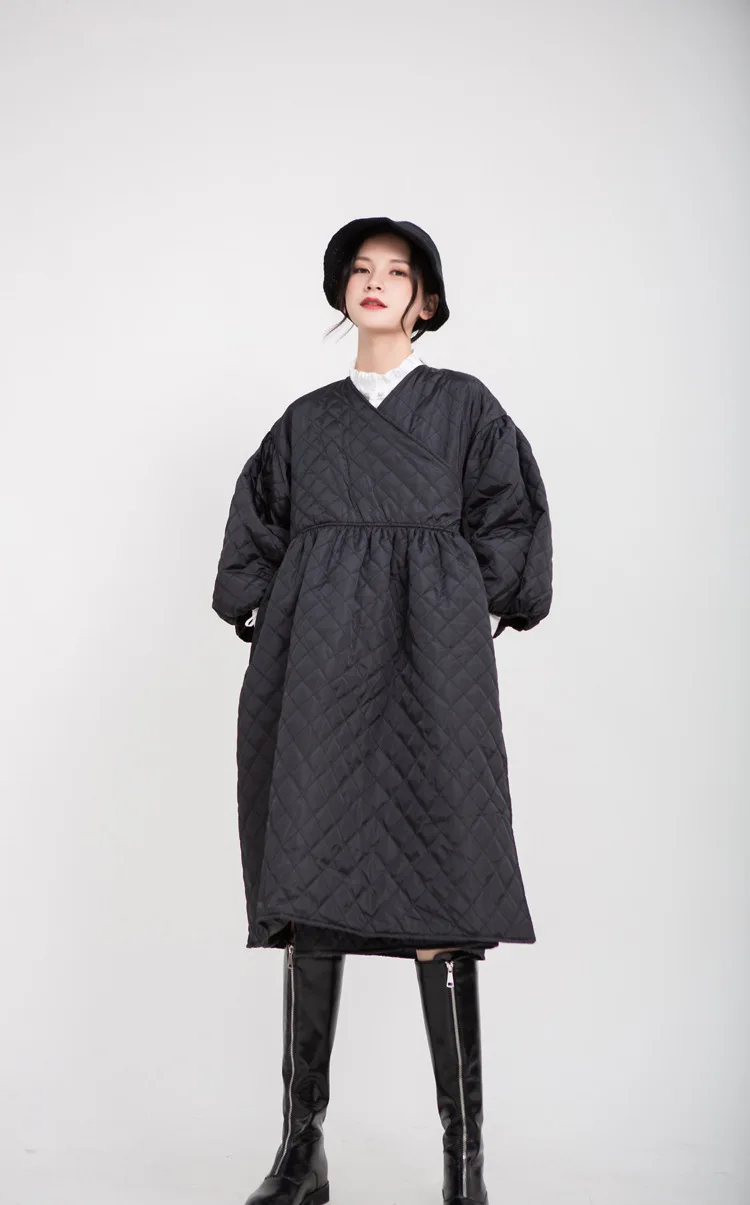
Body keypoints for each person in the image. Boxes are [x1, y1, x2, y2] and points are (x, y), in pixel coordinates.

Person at [211, 217, 554, 1205]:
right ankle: (301, 1150)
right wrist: (263, 605)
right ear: (341, 291)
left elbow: (511, 516)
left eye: (396, 272)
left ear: (425, 300)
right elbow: (258, 526)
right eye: (359, 270)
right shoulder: (306, 422)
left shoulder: (464, 407)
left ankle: (463, 1164)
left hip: (432, 661)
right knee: (309, 874)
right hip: (316, 659)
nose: (375, 282)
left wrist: (461, 600)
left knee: (444, 881)